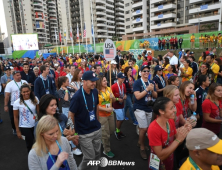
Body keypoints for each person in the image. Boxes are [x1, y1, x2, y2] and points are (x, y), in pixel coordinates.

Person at [69, 71, 101, 170]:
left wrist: (98, 122)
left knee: (97, 155)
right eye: (91, 81)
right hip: (84, 132)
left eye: (95, 81)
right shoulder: (77, 96)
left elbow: (96, 107)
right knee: (89, 157)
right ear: (84, 81)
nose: (94, 83)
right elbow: (71, 115)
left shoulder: (95, 91)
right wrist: (74, 134)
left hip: (96, 129)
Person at [148, 97, 190, 170]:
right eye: (171, 108)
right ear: (161, 111)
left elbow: (177, 140)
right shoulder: (153, 129)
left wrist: (185, 130)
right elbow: (161, 155)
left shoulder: (170, 121)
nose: (175, 110)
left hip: (170, 159)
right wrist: (178, 140)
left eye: (174, 106)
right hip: (158, 163)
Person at [133, 65, 157, 159]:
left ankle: (140, 142)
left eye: (148, 71)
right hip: (139, 107)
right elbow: (137, 96)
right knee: (143, 129)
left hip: (149, 107)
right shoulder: (137, 82)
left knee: (146, 128)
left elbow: (155, 96)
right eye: (144, 71)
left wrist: (152, 89)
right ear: (140, 72)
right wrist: (147, 89)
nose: (146, 72)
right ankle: (142, 147)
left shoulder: (151, 82)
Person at [13, 84, 39, 152]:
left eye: (27, 91)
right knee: (29, 144)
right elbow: (15, 117)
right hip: (24, 126)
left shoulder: (35, 99)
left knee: (38, 142)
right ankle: (31, 158)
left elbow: (38, 112)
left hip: (35, 124)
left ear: (30, 91)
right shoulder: (17, 103)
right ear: (21, 92)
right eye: (24, 92)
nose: (26, 93)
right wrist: (18, 130)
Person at [96, 76, 116, 158]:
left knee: (111, 130)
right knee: (106, 134)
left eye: (106, 80)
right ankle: (106, 150)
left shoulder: (108, 88)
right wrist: (105, 109)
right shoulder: (96, 91)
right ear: (100, 82)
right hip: (102, 115)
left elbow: (113, 100)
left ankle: (102, 138)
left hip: (110, 114)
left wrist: (113, 98)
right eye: (104, 81)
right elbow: (95, 106)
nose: (106, 82)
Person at [4, 71, 28, 135]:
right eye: (17, 75)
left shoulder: (24, 82)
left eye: (19, 75)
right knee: (13, 117)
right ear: (13, 76)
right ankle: (14, 128)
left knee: (23, 117)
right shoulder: (10, 84)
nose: (19, 76)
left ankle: (23, 129)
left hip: (23, 104)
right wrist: (6, 105)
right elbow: (7, 95)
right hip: (13, 104)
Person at [111, 73, 127, 140]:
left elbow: (125, 93)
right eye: (121, 78)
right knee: (121, 119)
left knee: (119, 119)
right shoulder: (113, 86)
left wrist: (125, 96)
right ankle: (117, 131)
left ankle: (118, 130)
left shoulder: (123, 85)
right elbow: (111, 97)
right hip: (116, 105)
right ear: (118, 78)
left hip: (122, 104)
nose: (123, 79)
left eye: (123, 78)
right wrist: (117, 99)